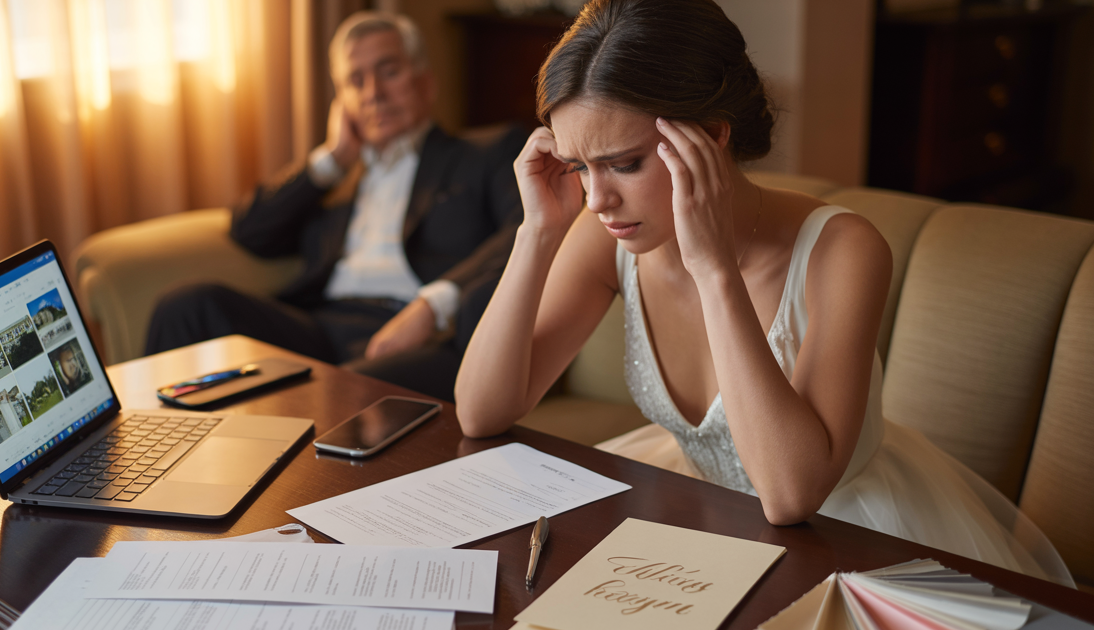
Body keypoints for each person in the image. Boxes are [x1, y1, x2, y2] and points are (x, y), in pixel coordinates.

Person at [454, 0, 1074, 586]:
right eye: (579, 166)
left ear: (711, 137)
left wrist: (714, 269)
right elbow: (481, 411)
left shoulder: (845, 250)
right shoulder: (603, 233)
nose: (598, 199)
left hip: (846, 533)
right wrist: (537, 233)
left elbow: (789, 495)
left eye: (624, 163)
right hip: (702, 515)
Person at [145, 11, 524, 400]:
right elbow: (250, 231)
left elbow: (526, 231)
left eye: (389, 71)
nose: (373, 92)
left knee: (344, 391)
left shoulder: (488, 153)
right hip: (321, 326)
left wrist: (433, 305)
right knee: (186, 305)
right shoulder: (335, 181)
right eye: (355, 82)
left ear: (426, 82)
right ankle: (159, 452)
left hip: (424, 337)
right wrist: (331, 160)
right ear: (342, 102)